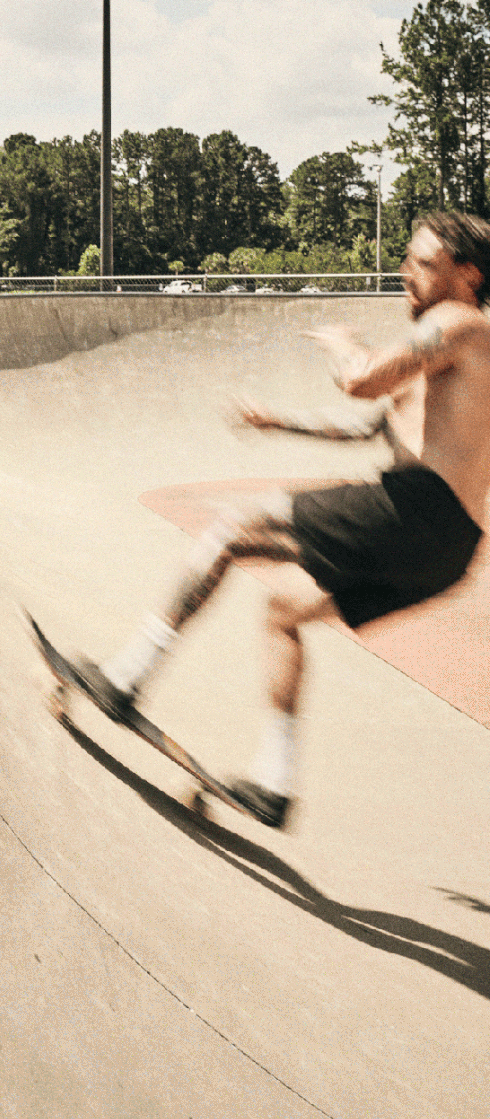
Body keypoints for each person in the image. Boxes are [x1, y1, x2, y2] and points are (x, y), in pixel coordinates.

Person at [69, 211, 490, 827]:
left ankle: (125, 675)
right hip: (447, 553)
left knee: (231, 530)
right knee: (283, 612)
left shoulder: (460, 322)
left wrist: (345, 345)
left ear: (467, 275)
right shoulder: (454, 359)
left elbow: (358, 383)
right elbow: (366, 425)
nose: (406, 273)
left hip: (415, 510)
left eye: (422, 264)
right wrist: (277, 420)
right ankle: (274, 781)